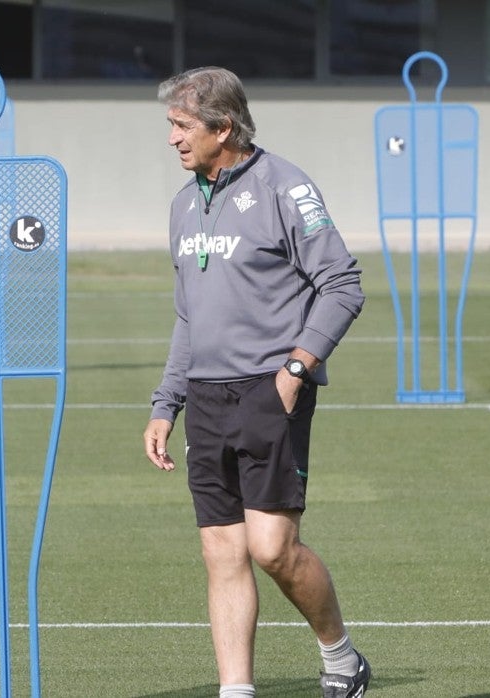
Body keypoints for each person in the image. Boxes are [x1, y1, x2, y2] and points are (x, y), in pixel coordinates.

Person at [142, 67, 370, 698]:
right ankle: (235, 691)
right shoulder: (184, 204)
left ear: (223, 127)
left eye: (182, 126)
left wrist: (297, 370)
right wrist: (168, 403)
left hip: (269, 390)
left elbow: (343, 285)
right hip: (207, 399)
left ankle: (342, 656)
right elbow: (189, 316)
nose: (173, 140)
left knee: (272, 549)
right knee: (222, 554)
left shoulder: (285, 186)